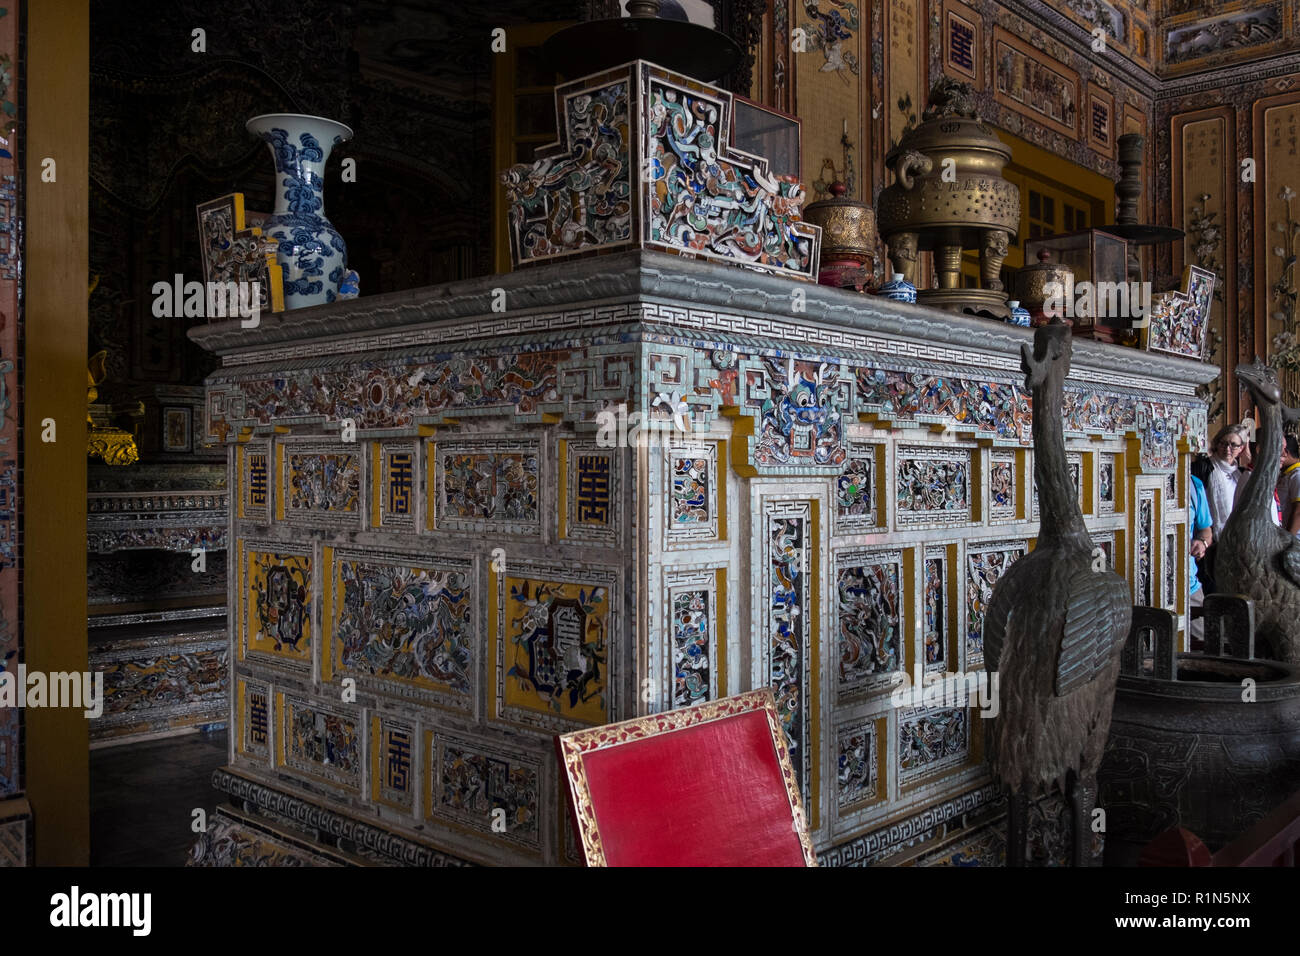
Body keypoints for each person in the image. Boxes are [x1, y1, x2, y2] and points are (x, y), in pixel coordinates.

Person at [1188, 474, 1212, 639]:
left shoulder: (1193, 485)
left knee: (1204, 645)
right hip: (1134, 587)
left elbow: (1206, 530)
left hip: (1188, 586)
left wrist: (1202, 542)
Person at [1278, 433, 1300, 537]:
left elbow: (1298, 511)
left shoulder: (1297, 475)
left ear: (1285, 452)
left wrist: (1288, 540)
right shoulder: (1286, 474)